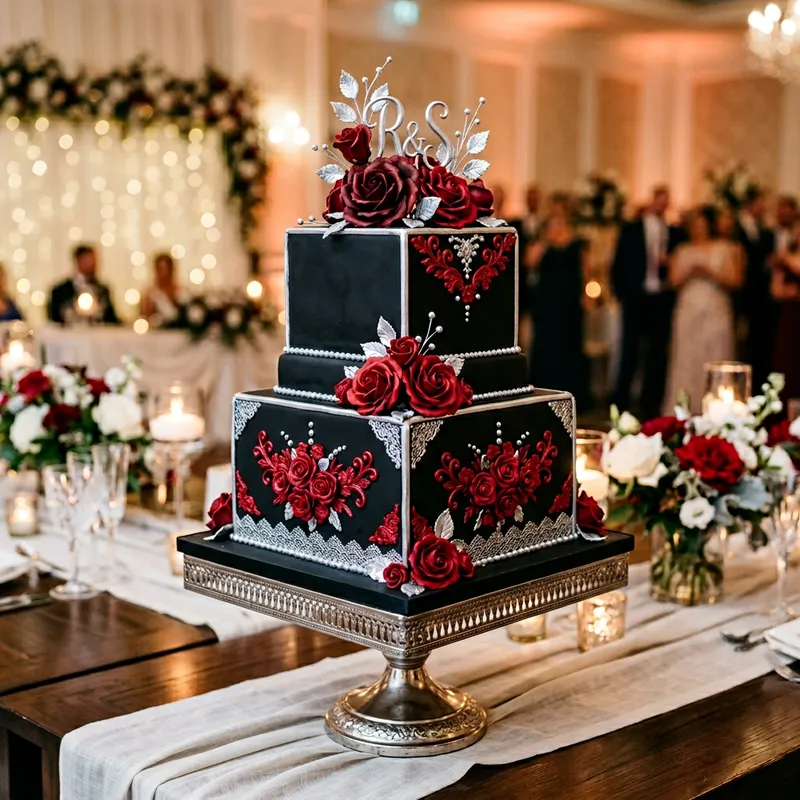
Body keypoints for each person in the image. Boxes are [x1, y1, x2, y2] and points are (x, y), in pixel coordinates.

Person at [611, 185, 684, 419]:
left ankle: (649, 404)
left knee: (656, 353)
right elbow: (618, 263)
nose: (662, 204)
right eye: (659, 199)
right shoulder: (631, 229)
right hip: (635, 297)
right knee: (629, 350)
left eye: (666, 200)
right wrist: (622, 294)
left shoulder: (673, 232)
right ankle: (620, 402)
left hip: (661, 298)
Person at [665, 207, 742, 412]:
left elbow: (737, 280)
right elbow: (672, 281)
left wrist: (711, 273)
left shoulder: (725, 248)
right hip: (689, 306)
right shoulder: (682, 249)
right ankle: (684, 406)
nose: (698, 229)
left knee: (714, 353)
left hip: (714, 307)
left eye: (702, 224)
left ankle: (715, 407)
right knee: (687, 358)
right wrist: (689, 273)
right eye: (694, 225)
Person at [527, 204, 589, 407]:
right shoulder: (541, 244)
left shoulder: (577, 244)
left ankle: (571, 389)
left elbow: (584, 271)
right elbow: (530, 262)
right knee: (547, 343)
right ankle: (545, 386)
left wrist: (585, 295)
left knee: (569, 343)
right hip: (547, 302)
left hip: (569, 303)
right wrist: (545, 241)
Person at [736, 188, 775, 385]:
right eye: (761, 203)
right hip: (743, 296)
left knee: (758, 345)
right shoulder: (736, 228)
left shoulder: (766, 231)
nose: (764, 208)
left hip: (761, 298)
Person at [48, 244, 119, 325]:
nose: (92, 264)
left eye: (93, 260)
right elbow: (54, 323)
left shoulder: (103, 290)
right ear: (77, 261)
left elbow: (112, 321)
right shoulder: (60, 291)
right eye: (87, 260)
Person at [771, 219, 800, 399]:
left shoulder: (786, 259)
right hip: (791, 317)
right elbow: (775, 290)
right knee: (789, 361)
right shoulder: (784, 258)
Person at [141, 253, 183, 325]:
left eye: (165, 269)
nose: (162, 273)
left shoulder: (181, 292)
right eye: (159, 269)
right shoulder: (151, 294)